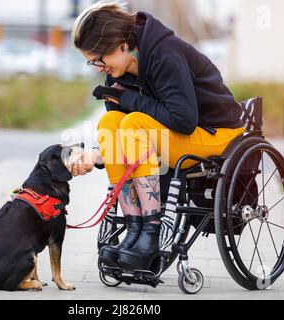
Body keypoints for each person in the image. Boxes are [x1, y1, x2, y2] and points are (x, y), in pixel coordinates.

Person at [70, 1, 245, 271]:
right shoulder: (118, 71)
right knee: (110, 121)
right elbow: (120, 141)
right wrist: (96, 154)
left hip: (215, 132)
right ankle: (134, 228)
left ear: (121, 44)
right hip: (168, 138)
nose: (97, 67)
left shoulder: (165, 53)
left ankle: (151, 231)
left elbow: (183, 121)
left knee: (133, 123)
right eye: (91, 61)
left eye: (98, 58)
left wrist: (127, 98)